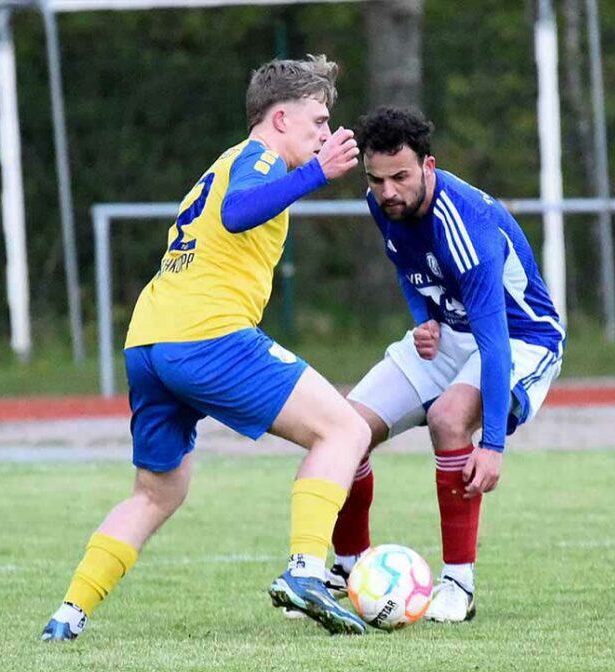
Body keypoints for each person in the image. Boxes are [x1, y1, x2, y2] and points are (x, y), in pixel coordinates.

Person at [41, 55, 372, 640]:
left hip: (149, 341)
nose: (325, 133)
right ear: (277, 119)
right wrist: (316, 173)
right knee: (344, 430)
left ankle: (68, 615)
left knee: (157, 491)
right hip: (206, 335)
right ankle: (306, 571)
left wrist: (309, 173)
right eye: (316, 120)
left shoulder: (230, 162)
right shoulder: (258, 158)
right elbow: (238, 211)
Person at [328, 106, 565, 622]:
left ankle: (459, 583)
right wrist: (423, 318)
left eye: (400, 177)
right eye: (376, 179)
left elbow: (495, 343)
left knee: (448, 418)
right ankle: (348, 571)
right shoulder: (381, 202)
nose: (388, 191)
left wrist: (494, 446)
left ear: (429, 166)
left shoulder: (467, 228)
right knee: (344, 429)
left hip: (521, 339)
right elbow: (408, 267)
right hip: (453, 331)